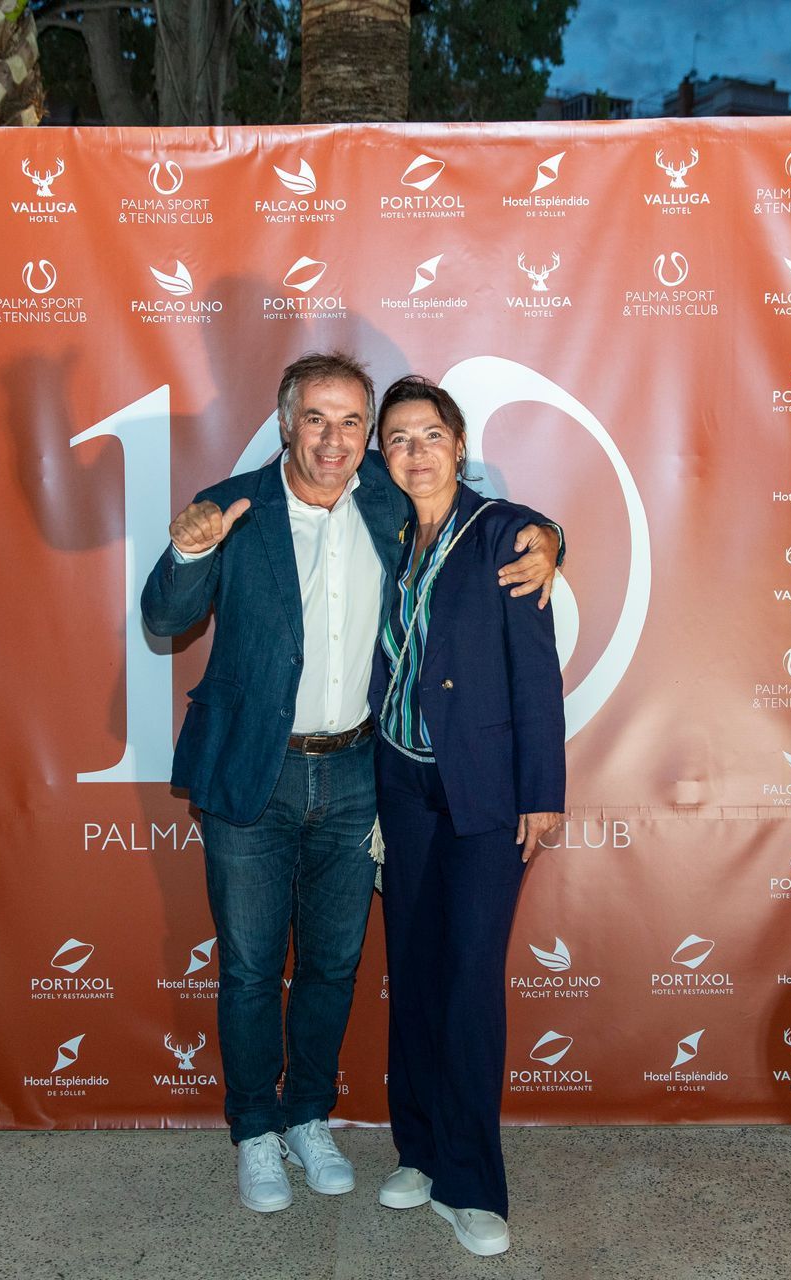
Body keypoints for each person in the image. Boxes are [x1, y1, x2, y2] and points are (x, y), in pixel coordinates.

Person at [140, 352, 562, 1216]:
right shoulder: (234, 506)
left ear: (369, 435)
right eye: (315, 418)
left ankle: (308, 1116)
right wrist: (186, 550)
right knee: (251, 967)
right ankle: (255, 1129)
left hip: (360, 773)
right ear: (285, 422)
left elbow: (486, 520)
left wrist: (551, 539)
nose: (334, 440)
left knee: (334, 965)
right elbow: (164, 616)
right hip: (254, 770)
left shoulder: (385, 498)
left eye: (351, 423)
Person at [368, 375, 565, 1258]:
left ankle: (472, 1184)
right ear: (383, 456)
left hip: (485, 790)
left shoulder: (505, 535)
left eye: (430, 435)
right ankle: (416, 1150)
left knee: (470, 979)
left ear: (458, 445)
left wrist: (542, 792)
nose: (416, 452)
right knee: (412, 969)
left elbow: (536, 672)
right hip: (400, 785)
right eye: (398, 439)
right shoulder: (385, 532)